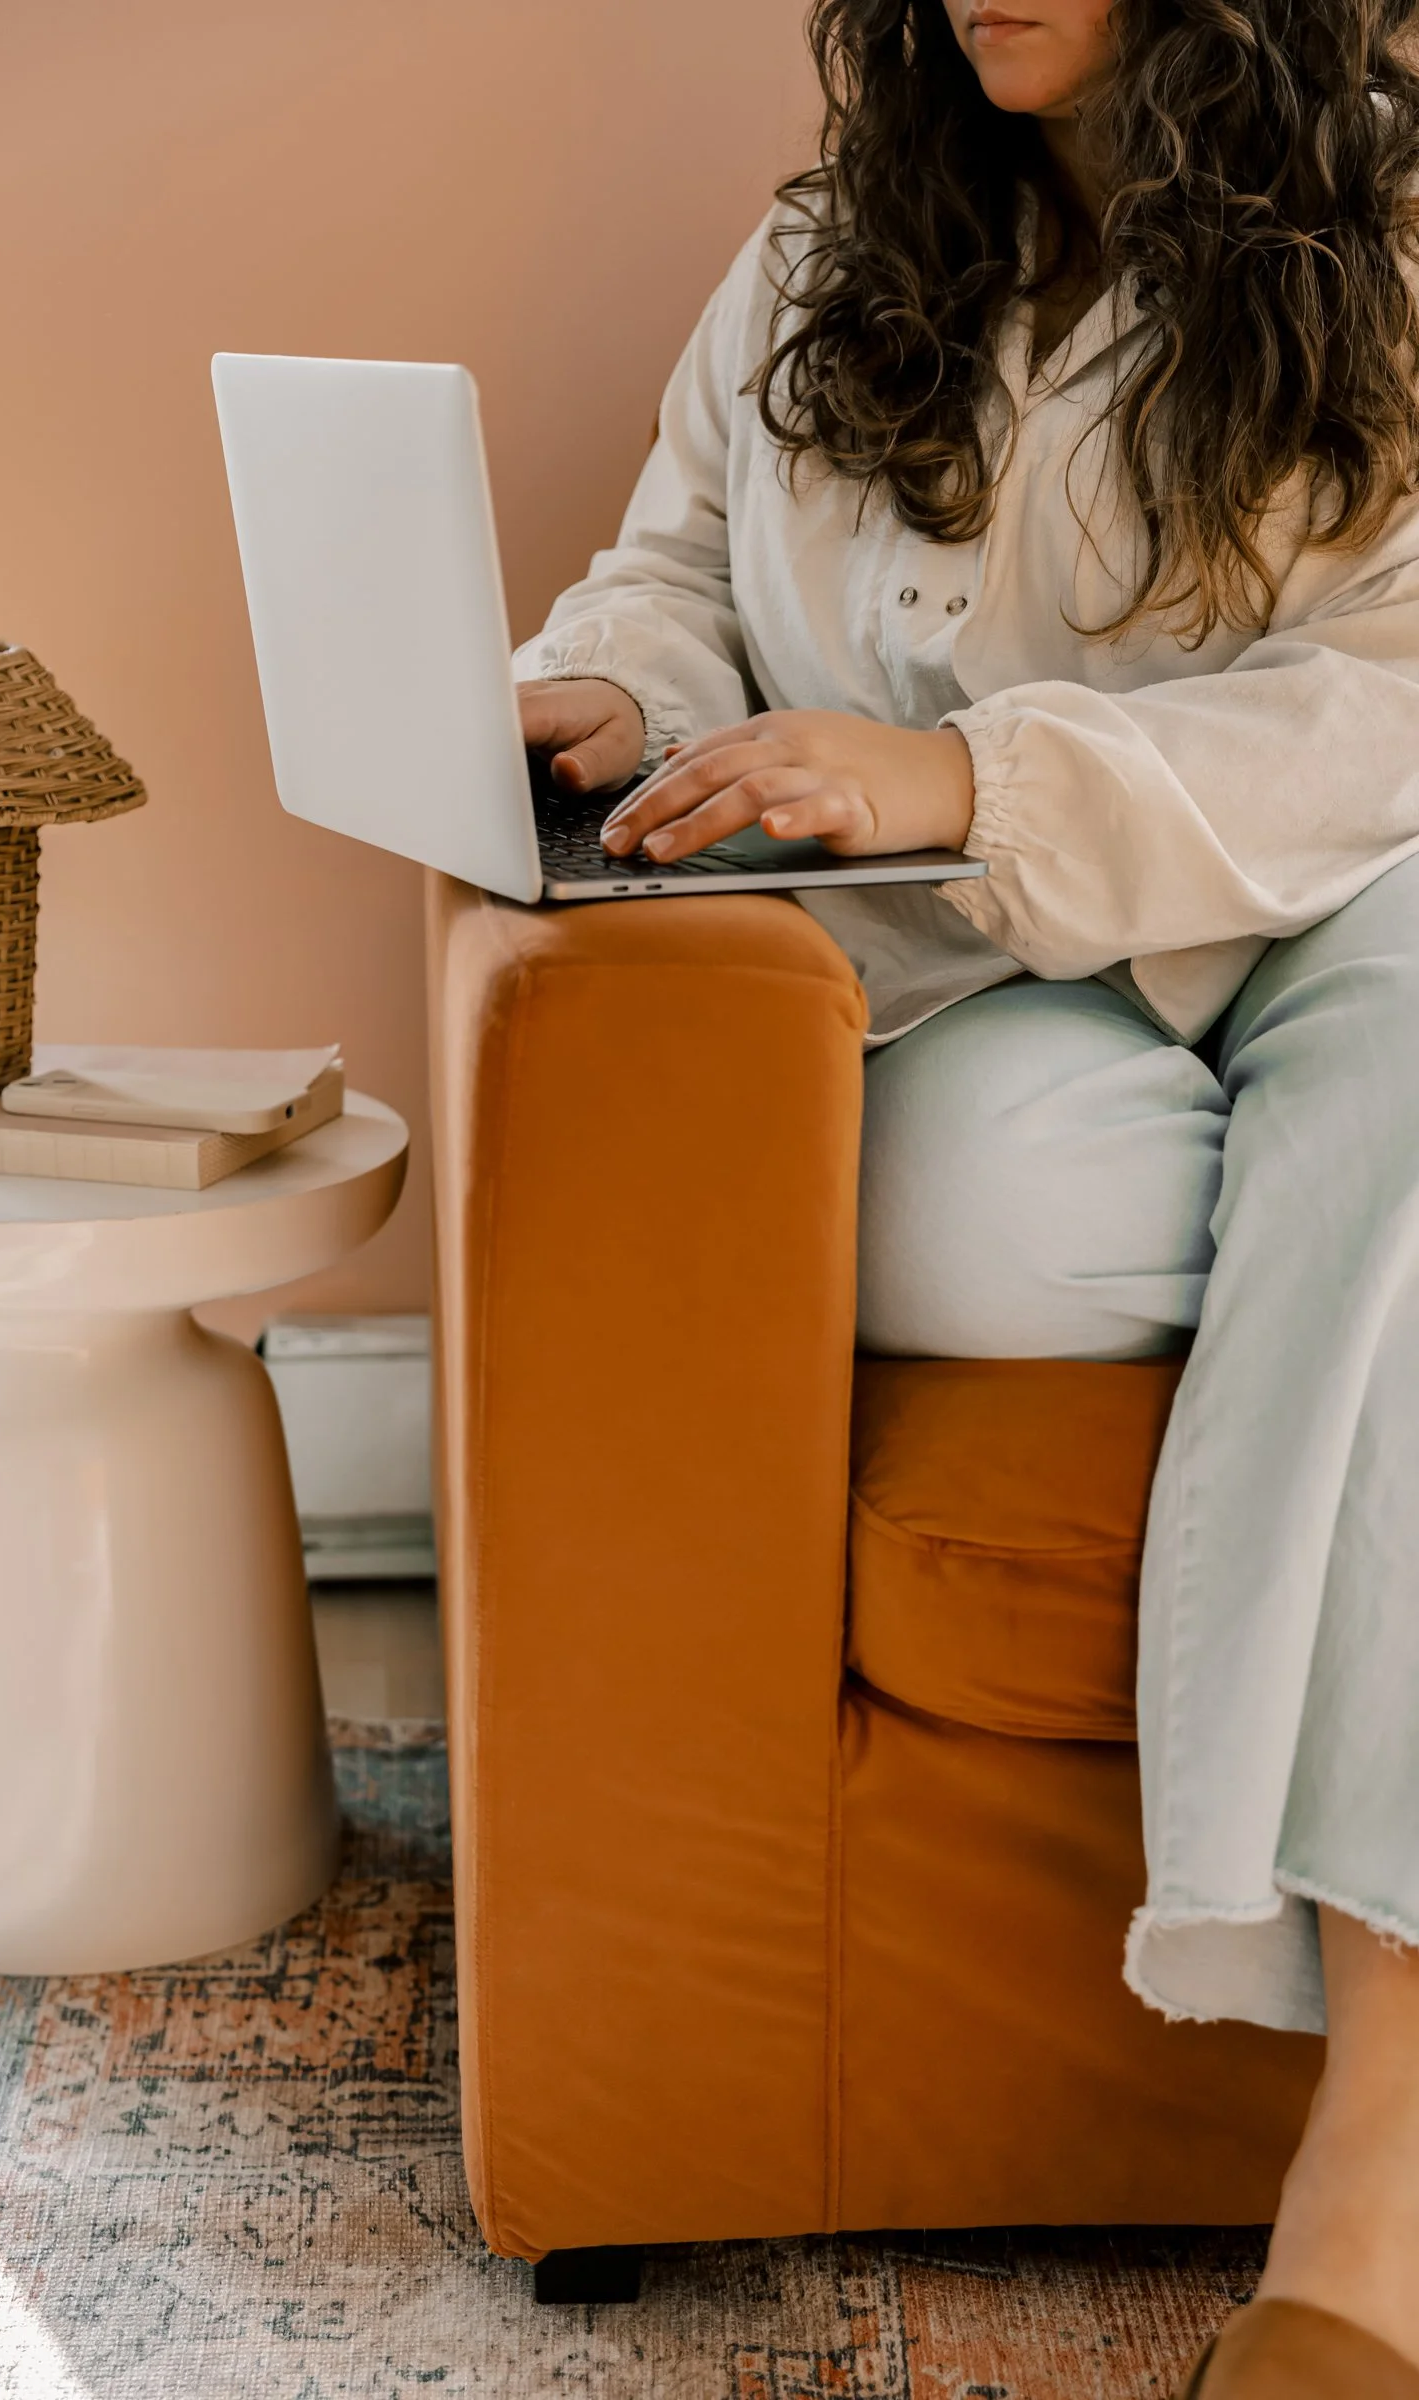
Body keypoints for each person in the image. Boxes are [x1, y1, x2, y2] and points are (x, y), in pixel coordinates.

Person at [513, 2, 1419, 2391]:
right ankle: (1349, 1253)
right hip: (989, 987)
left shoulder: (1393, 223)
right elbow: (668, 563)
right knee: (984, 1229)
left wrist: (962, 773)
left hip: (1348, 898)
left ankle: (1371, 2202)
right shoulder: (828, 243)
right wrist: (608, 695)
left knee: (1408, 1116)